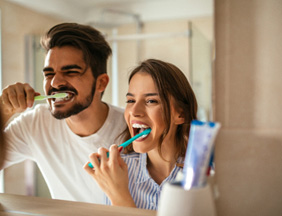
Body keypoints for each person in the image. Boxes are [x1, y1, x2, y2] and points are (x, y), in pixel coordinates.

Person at [0, 23, 126, 203]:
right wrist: (3, 112)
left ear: (101, 83)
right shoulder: (36, 123)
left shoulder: (131, 129)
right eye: (49, 74)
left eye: (71, 72)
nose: (55, 83)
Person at [84, 59, 198, 210]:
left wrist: (120, 196)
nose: (134, 111)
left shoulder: (203, 174)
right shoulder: (116, 172)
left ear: (181, 114)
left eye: (151, 101)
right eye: (130, 100)